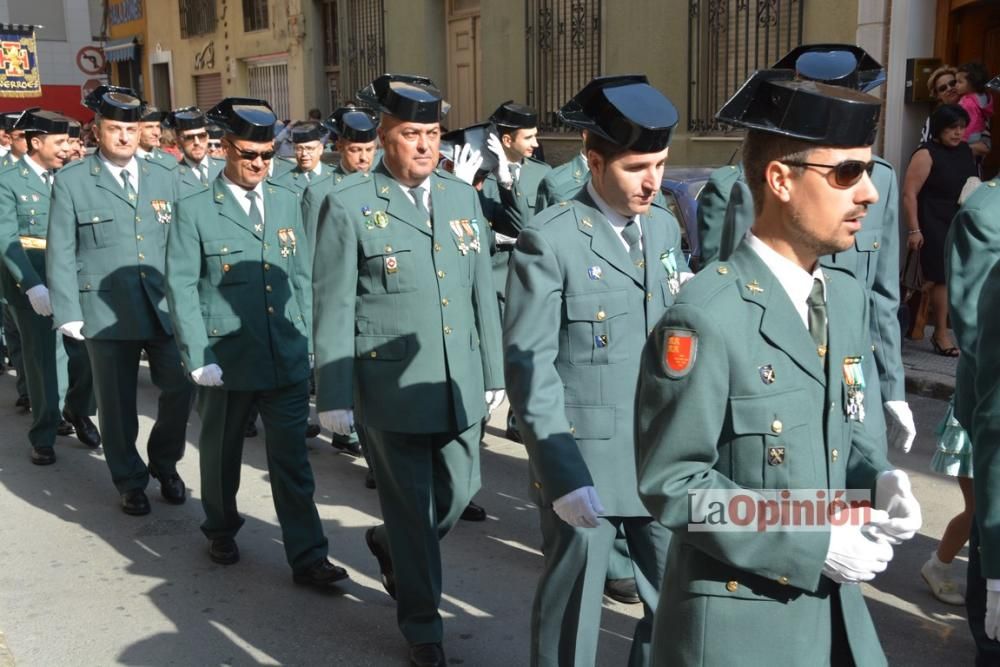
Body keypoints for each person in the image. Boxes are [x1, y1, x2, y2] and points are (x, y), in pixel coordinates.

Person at [635, 69, 922, 665]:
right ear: (780, 180)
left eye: (867, 172)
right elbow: (674, 484)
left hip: (835, 620)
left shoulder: (842, 297)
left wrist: (880, 479)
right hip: (742, 628)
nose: (868, 193)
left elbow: (841, 434)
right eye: (846, 173)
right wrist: (813, 542)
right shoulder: (707, 316)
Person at [312, 73, 504, 667]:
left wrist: (494, 374)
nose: (425, 145)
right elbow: (335, 302)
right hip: (388, 385)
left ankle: (387, 542)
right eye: (411, 133)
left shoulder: (459, 196)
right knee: (415, 509)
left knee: (459, 490)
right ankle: (423, 625)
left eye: (433, 133)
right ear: (384, 137)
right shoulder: (348, 204)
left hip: (458, 380)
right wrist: (335, 391)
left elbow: (480, 294)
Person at [504, 74, 685, 666]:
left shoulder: (662, 227)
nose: (652, 181)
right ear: (594, 159)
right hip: (585, 463)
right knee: (573, 609)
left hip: (661, 459)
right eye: (637, 167)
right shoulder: (550, 240)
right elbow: (531, 366)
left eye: (660, 164)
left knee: (679, 605)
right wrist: (560, 474)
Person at [694, 44, 916, 456]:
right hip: (771, 389)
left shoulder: (879, 181)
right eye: (846, 173)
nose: (863, 193)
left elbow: (882, 297)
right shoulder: (741, 187)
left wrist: (892, 387)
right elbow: (729, 297)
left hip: (853, 387)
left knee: (861, 502)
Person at [164, 96, 349, 589]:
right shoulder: (195, 209)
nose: (259, 164)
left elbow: (303, 276)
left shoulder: (290, 201)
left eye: (268, 155)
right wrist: (198, 355)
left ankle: (308, 555)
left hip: (283, 353)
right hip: (226, 359)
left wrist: (309, 342)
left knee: (291, 461)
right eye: (249, 154)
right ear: (226, 148)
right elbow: (181, 286)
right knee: (221, 455)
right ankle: (221, 527)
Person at [47, 85, 193, 516]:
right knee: (117, 403)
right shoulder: (74, 181)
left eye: (132, 129)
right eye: (115, 129)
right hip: (104, 311)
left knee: (179, 390)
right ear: (97, 131)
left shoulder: (167, 175)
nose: (125, 138)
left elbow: (185, 244)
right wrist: (67, 310)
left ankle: (164, 463)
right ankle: (129, 479)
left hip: (164, 307)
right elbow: (60, 249)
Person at [0, 109, 100, 465]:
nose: (67, 149)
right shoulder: (7, 180)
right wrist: (30, 285)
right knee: (45, 359)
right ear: (35, 142)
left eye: (69, 141)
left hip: (76, 279)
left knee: (88, 354)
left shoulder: (73, 176)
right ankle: (44, 430)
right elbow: (5, 237)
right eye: (59, 142)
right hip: (34, 281)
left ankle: (79, 409)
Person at [300, 105, 381, 467]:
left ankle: (375, 453)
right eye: (355, 150)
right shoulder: (320, 193)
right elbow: (311, 261)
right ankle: (354, 435)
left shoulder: (383, 184)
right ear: (341, 148)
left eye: (369, 150)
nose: (363, 158)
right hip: (339, 299)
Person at [902, 103, 978, 356]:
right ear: (939, 128)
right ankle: (941, 333)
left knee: (954, 276)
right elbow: (909, 194)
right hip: (932, 221)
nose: (958, 133)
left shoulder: (966, 150)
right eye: (952, 128)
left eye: (961, 128)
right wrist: (914, 230)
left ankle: (932, 327)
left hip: (959, 219)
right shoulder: (926, 153)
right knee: (941, 277)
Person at [166, 106, 224, 196]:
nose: (197, 142)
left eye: (201, 136)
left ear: (208, 137)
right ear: (178, 143)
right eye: (189, 138)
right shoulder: (172, 176)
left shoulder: (225, 167)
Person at [271, 121, 326, 197]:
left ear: (320, 149)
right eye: (299, 149)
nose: (304, 154)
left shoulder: (335, 176)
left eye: (309, 148)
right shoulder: (283, 182)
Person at [956, 62, 994, 163]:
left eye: (960, 82)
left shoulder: (968, 102)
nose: (956, 85)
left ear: (972, 83)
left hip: (969, 136)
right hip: (979, 135)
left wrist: (962, 139)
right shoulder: (983, 97)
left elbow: (970, 122)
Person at [920, 65, 962, 144]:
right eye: (943, 88)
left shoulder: (974, 109)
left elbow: (985, 146)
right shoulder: (934, 119)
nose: (949, 88)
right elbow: (927, 148)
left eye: (952, 83)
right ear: (938, 95)